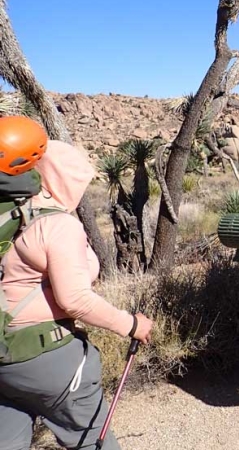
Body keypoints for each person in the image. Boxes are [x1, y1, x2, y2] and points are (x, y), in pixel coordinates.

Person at [0, 119, 153, 450]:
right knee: (89, 439)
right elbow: (74, 300)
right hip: (46, 356)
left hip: (4, 359)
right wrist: (132, 325)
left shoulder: (8, 216)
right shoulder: (56, 225)